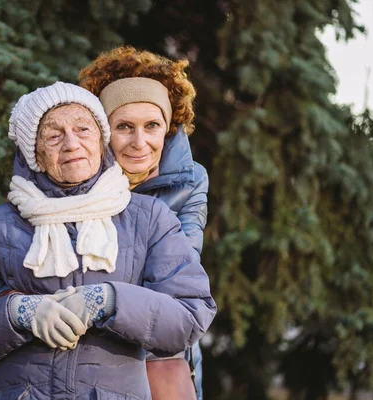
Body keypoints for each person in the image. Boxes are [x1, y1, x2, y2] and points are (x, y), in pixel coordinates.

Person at [0, 81, 216, 399]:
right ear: (35, 155)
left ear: (101, 141)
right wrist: (18, 313)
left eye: (83, 130)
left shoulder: (150, 219)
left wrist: (108, 301)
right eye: (54, 135)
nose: (72, 144)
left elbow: (189, 315)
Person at [79, 46, 209, 399]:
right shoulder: (76, 179)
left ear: (167, 129)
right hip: (89, 361)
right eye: (124, 127)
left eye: (152, 126)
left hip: (161, 359)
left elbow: (176, 279)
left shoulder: (190, 181)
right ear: (104, 131)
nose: (140, 143)